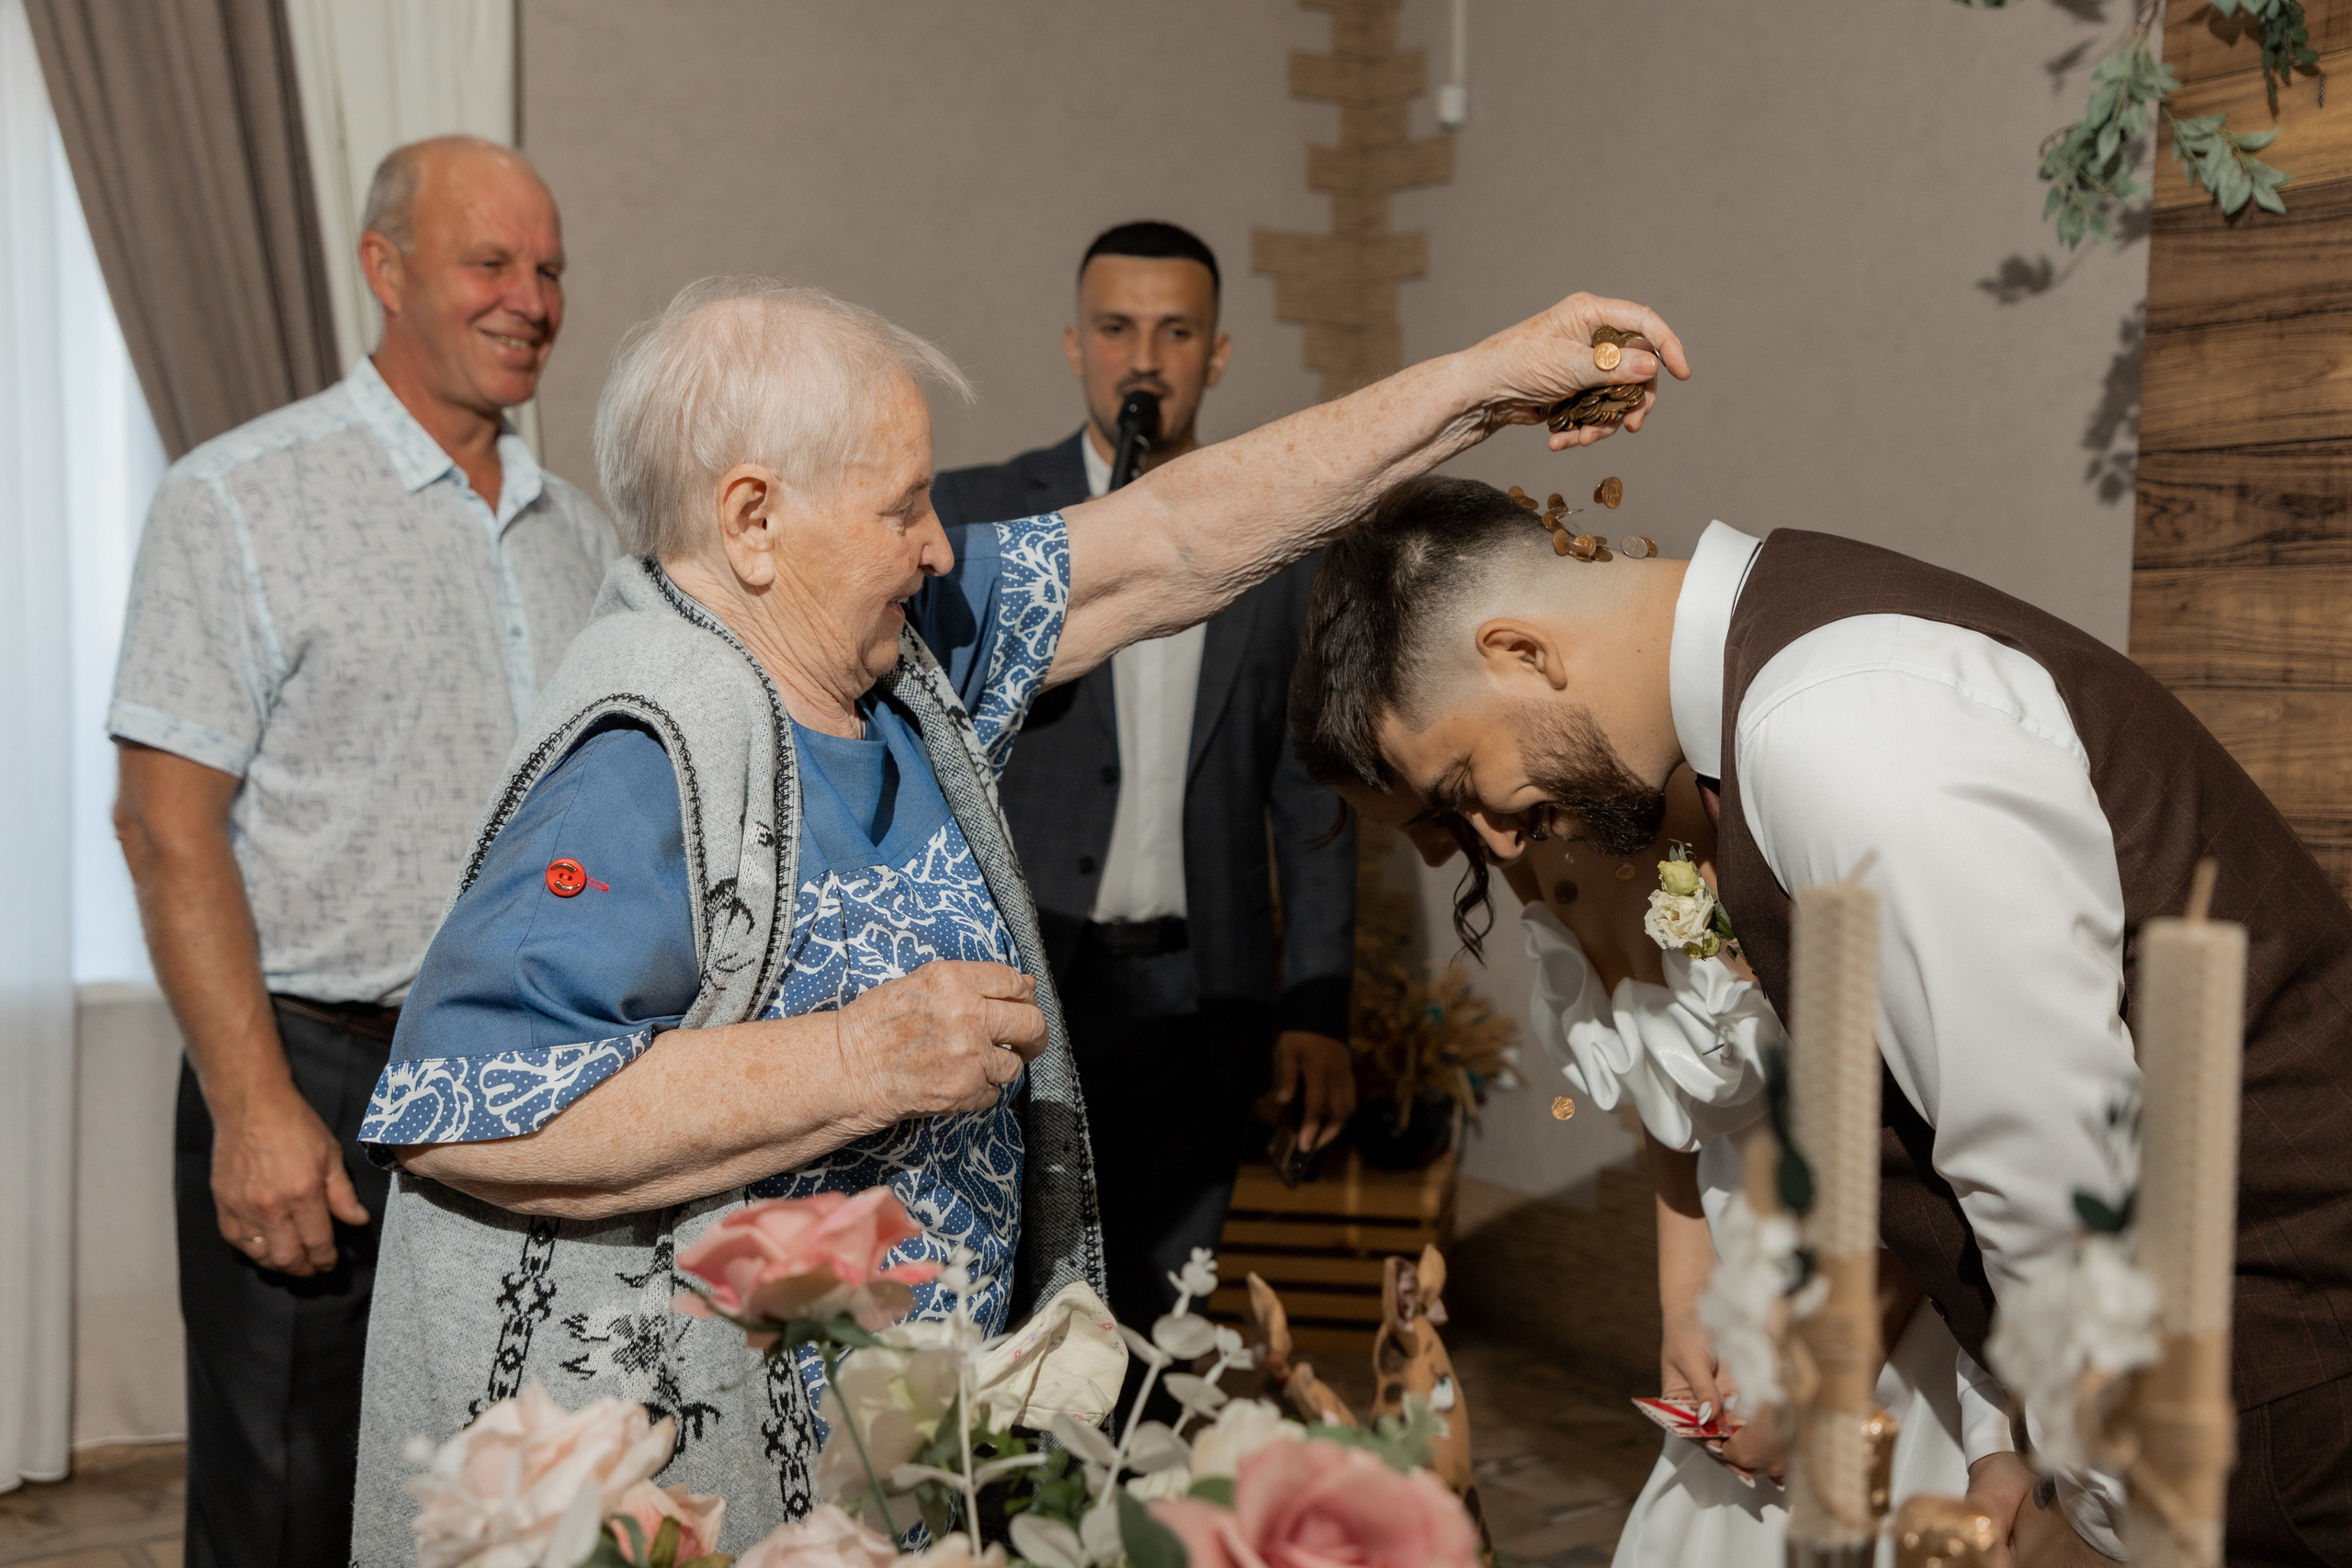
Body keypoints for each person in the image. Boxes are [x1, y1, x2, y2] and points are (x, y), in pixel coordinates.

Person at [345, 277, 1688, 1560]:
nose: (939, 543)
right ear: (752, 519)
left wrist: (1485, 381)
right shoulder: (642, 749)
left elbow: (1171, 538)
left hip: (905, 1469)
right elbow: (475, 1105)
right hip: (724, 1497)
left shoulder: (891, 645)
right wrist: (858, 1060)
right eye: (904, 506)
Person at [1286, 477, 2352, 1564]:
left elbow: (2044, 1165)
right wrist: (2005, 1436)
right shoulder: (1785, 695)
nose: (1493, 844)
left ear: (1521, 653)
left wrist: (2096, 1520)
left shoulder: (1832, 723)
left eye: (1463, 781)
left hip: (2270, 1380)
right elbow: (1951, 1134)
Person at [108, 136, 613, 1567]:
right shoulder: (238, 499)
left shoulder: (581, 537)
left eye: (550, 268)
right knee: (288, 1504)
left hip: (535, 1088)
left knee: (509, 1500)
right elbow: (163, 820)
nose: (530, 297)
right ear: (384, 270)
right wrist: (256, 1106)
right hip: (315, 1081)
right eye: (491, 262)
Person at [930, 221, 1357, 1328]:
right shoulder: (981, 519)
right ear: (1075, 345)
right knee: (1006, 1326)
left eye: (1175, 332)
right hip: (1024, 990)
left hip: (1200, 1000)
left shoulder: (1282, 540)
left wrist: (1316, 1007)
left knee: (1159, 1330)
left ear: (1216, 356)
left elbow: (1311, 796)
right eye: (1116, 328)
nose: (1144, 359)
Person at [1502, 777, 1972, 1567]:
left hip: (1894, 1282)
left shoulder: (1762, 821)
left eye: (1431, 809)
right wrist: (1683, 1302)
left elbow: (1917, 1138)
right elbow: (1675, 1107)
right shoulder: (1532, 848)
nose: (1454, 842)